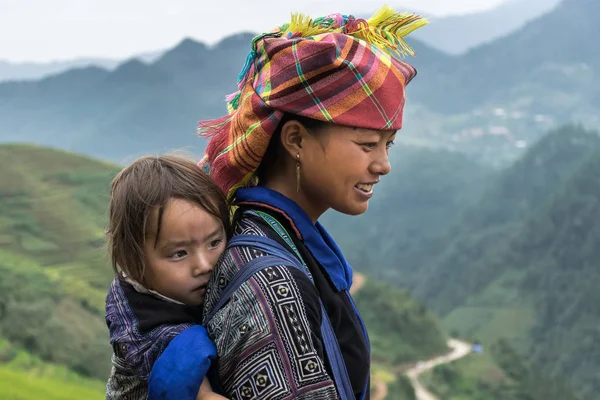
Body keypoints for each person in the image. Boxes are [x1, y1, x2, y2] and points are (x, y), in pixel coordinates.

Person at [198, 6, 427, 399]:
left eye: (388, 146)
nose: (383, 165)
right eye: (367, 145)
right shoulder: (270, 281)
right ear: (296, 140)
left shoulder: (283, 244)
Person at [103, 155, 230, 400]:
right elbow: (196, 391)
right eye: (179, 253)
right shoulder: (144, 324)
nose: (204, 265)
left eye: (214, 242)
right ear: (131, 260)